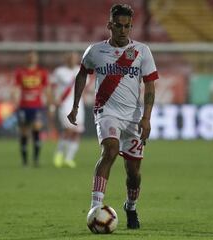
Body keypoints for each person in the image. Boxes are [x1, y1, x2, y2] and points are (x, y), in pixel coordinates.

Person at [67, 4, 158, 229]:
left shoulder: (142, 51)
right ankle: (95, 207)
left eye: (127, 26)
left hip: (134, 117)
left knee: (134, 172)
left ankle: (131, 206)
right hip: (106, 111)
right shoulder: (95, 51)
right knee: (109, 150)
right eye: (118, 25)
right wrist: (75, 106)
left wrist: (146, 118)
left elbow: (150, 86)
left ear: (131, 27)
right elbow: (82, 74)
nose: (123, 30)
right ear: (110, 25)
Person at [12, 51, 52, 167]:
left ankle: (36, 159)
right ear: (26, 58)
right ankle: (24, 161)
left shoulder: (41, 72)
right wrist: (14, 100)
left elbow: (47, 88)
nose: (31, 59)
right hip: (23, 106)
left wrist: (50, 103)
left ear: (37, 59)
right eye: (29, 57)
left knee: (36, 128)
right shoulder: (20, 72)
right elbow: (15, 88)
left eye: (33, 57)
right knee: (24, 132)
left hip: (37, 106)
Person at [51, 52, 85, 168]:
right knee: (68, 130)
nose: (72, 60)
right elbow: (53, 87)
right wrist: (54, 100)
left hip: (78, 104)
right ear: (66, 59)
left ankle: (69, 159)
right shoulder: (59, 71)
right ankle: (59, 154)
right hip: (64, 104)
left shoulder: (81, 70)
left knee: (76, 132)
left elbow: (85, 86)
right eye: (70, 58)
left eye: (74, 58)